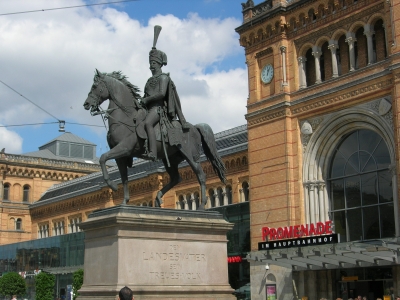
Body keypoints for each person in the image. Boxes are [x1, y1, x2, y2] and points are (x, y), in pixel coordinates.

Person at [140, 25, 188, 161]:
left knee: (148, 123)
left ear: (159, 64)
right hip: (148, 108)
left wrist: (147, 100)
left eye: (153, 63)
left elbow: (161, 94)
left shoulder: (164, 78)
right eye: (150, 63)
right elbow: (145, 96)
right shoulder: (149, 80)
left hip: (158, 109)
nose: (151, 66)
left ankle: (153, 152)